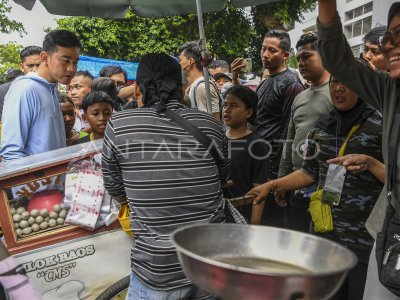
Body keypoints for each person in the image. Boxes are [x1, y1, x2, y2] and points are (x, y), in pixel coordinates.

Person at [102, 53, 228, 299]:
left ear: (137, 89)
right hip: (212, 265)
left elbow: (115, 189)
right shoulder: (210, 124)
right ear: (182, 90)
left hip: (157, 270)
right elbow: (222, 178)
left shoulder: (119, 125)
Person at [249, 76, 384, 300]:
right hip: (325, 237)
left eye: (346, 82)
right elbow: (308, 172)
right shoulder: (322, 128)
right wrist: (272, 185)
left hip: (365, 242)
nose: (339, 88)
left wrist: (371, 164)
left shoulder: (381, 126)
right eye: (334, 83)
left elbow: (395, 176)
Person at [316, 1, 400, 299]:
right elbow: (338, 61)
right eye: (389, 36)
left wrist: (373, 165)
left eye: (399, 34)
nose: (389, 45)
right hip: (388, 235)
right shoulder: (391, 91)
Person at [232, 30, 304, 227]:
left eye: (271, 50)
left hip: (272, 169)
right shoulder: (265, 82)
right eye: (263, 49)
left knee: (269, 224)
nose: (265, 54)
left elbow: (288, 131)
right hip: (256, 162)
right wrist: (236, 79)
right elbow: (254, 116)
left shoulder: (291, 85)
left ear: (285, 55)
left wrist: (277, 176)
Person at [277, 32, 333, 232]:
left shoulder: (339, 93)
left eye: (307, 56)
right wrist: (283, 179)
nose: (301, 63)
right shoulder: (299, 97)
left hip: (325, 184)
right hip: (297, 182)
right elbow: (289, 141)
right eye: (298, 58)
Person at [0, 30, 81, 160]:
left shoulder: (53, 89)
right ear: (44, 57)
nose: (71, 69)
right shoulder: (25, 89)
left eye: (75, 62)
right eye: (65, 61)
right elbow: (11, 152)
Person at [223, 85, 268, 224]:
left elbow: (259, 190)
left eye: (234, 105)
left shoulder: (257, 145)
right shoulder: (217, 139)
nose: (227, 110)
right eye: (225, 105)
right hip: (219, 213)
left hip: (243, 215)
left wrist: (253, 228)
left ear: (248, 112)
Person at [178, 41, 221, 121]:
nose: (179, 63)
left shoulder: (203, 87)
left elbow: (214, 123)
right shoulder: (194, 86)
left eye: (180, 60)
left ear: (190, 61)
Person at [0, 46, 42, 119]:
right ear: (22, 67)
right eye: (30, 65)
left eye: (39, 65)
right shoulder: (4, 90)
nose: (35, 69)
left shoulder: (52, 90)